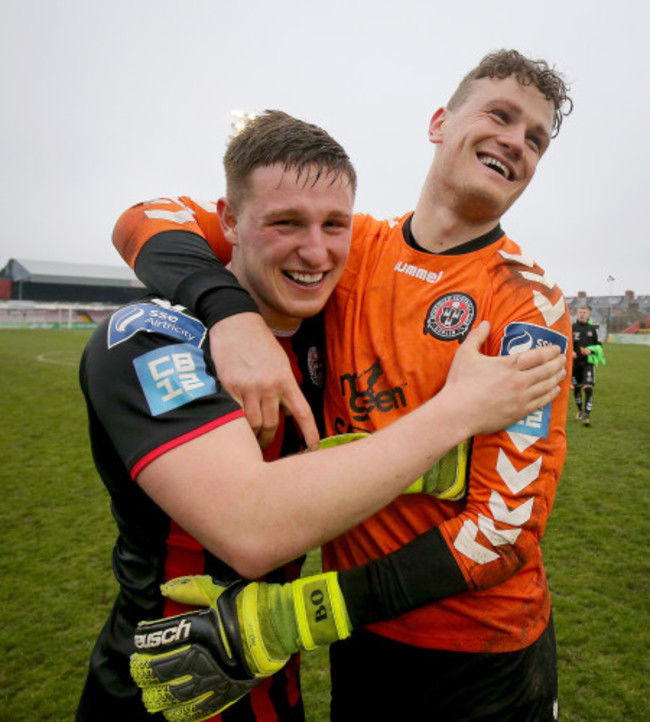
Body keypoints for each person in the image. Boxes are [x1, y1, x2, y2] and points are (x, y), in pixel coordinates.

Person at [112, 50, 574, 721]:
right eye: (501, 115)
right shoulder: (347, 246)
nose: (516, 141)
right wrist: (230, 313)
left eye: (536, 138)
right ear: (440, 122)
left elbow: (504, 530)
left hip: (478, 651)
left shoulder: (529, 307)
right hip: (363, 639)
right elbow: (144, 218)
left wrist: (302, 613)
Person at [571, 303, 602, 426]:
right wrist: (571, 352)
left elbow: (599, 346)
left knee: (588, 388)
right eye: (580, 312)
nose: (582, 314)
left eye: (584, 312)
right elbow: (566, 343)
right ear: (577, 313)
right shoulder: (571, 327)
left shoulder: (594, 329)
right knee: (577, 388)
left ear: (589, 314)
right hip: (575, 362)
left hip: (588, 362)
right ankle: (580, 410)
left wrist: (591, 350)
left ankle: (586, 415)